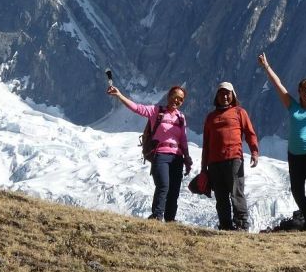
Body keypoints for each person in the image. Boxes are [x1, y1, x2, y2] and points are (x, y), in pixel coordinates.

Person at [258, 53, 306, 230]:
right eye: (305, 89)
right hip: (294, 155)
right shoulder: (292, 106)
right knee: (297, 191)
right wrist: (266, 66)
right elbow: (278, 85)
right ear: (299, 92)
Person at [107, 84, 192, 221]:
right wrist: (119, 95)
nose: (177, 100)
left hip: (177, 157)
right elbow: (137, 108)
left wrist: (187, 158)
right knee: (163, 185)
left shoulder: (181, 117)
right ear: (169, 96)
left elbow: (183, 139)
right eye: (175, 97)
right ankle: (157, 216)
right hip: (161, 155)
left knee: (174, 190)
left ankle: (170, 220)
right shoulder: (156, 111)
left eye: (180, 99)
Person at [201, 81, 259, 231]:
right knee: (221, 196)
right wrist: (203, 168)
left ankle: (241, 224)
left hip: (234, 158)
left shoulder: (240, 112)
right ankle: (225, 225)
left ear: (233, 95)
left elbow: (249, 133)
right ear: (217, 97)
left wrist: (254, 151)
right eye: (221, 93)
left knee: (236, 192)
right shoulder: (210, 117)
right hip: (214, 162)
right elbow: (206, 144)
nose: (225, 96)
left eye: (228, 93)